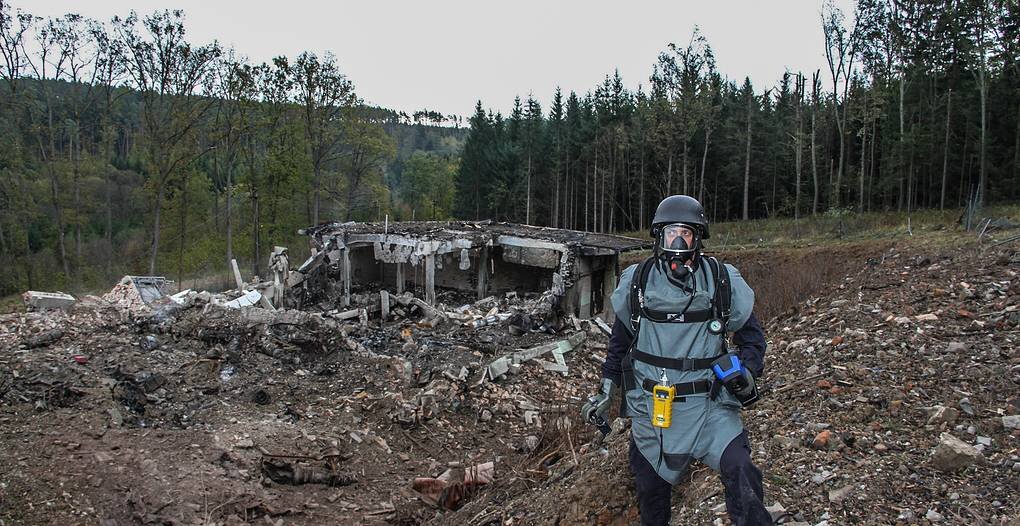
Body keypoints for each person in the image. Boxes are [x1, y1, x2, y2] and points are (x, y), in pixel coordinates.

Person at [581, 195, 772, 526]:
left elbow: (752, 338)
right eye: (671, 233)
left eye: (687, 233)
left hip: (710, 407)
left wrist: (748, 370)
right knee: (651, 494)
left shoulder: (721, 281)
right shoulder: (638, 282)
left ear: (698, 238)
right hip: (654, 411)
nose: (679, 241)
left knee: (741, 470)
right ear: (658, 237)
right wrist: (606, 389)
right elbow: (619, 343)